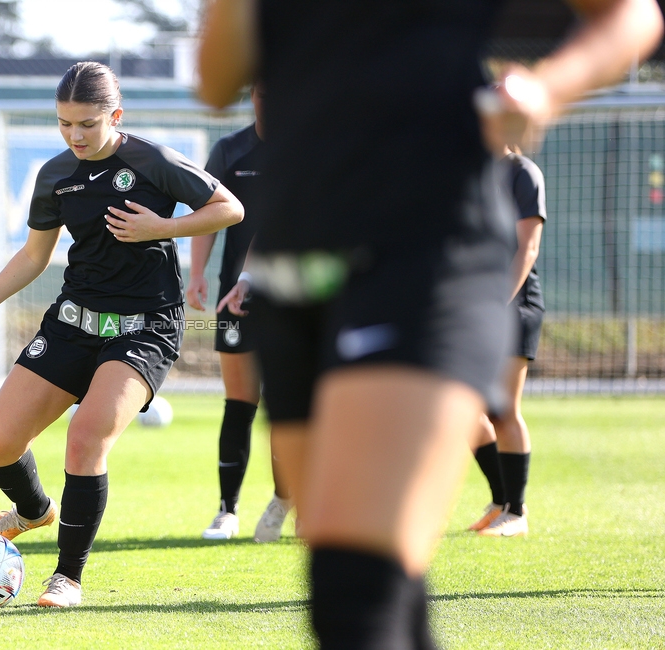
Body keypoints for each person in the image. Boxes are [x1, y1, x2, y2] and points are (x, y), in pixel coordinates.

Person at [197, 0, 661, 647]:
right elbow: (215, 82)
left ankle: (509, 506)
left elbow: (631, 16)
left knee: (355, 589)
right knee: (375, 583)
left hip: (426, 252)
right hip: (296, 266)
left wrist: (546, 87)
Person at [0, 61, 243, 608]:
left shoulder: (153, 161)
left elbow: (230, 208)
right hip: (74, 323)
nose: (75, 135)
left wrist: (164, 227)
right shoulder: (55, 175)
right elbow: (35, 256)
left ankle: (67, 578)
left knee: (85, 440)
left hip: (144, 329)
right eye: (63, 123)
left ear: (115, 115)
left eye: (87, 123)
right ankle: (34, 512)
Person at [186, 85, 293, 543]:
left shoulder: (309, 145)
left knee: (291, 404)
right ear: (253, 94)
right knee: (239, 402)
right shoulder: (231, 150)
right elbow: (206, 213)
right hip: (238, 298)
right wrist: (197, 275)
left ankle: (287, 498)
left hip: (294, 297)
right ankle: (226, 510)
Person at [470, 146, 547, 538]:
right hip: (472, 306)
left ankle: (516, 512)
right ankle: (501, 501)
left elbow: (527, 248)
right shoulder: (469, 169)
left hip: (514, 306)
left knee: (502, 408)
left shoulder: (523, 173)